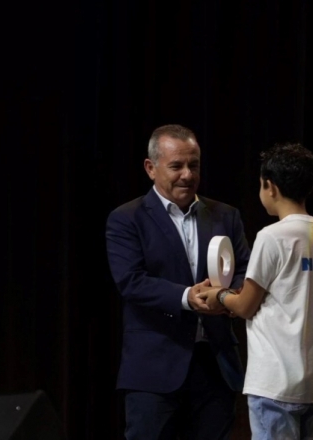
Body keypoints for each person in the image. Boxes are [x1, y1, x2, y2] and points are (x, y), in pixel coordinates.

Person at [105, 124, 251, 440]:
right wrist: (187, 296)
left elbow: (244, 272)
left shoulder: (226, 215)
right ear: (150, 168)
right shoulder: (126, 218)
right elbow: (130, 281)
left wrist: (228, 297)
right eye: (176, 166)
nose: (187, 174)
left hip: (215, 367)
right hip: (154, 370)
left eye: (193, 165)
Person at [197, 143, 313, 440]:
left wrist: (220, 295)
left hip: (274, 380)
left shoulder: (272, 236)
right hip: (311, 381)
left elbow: (246, 305)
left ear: (269, 186)